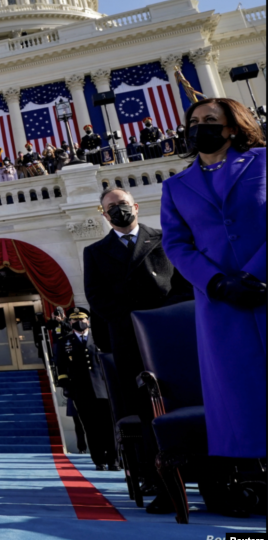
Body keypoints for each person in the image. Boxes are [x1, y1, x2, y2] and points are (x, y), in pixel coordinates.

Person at [160, 98, 266, 462]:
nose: (198, 127)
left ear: (232, 127)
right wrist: (217, 282)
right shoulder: (175, 187)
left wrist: (254, 273)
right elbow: (176, 244)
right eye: (193, 122)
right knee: (240, 391)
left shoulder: (263, 161)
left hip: (263, 287)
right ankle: (252, 471)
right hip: (221, 303)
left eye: (209, 120)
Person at [84, 187, 193, 510]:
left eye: (123, 204)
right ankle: (163, 484)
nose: (119, 211)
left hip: (172, 337)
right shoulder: (95, 252)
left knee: (184, 402)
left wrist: (161, 317)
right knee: (148, 413)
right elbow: (98, 298)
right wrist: (135, 319)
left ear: (136, 205)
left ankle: (210, 479)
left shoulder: (163, 238)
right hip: (131, 340)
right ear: (103, 215)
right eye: (111, 208)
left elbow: (184, 285)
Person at [55, 309, 118, 471]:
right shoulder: (64, 342)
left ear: (88, 321)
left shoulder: (100, 338)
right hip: (81, 391)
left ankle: (113, 459)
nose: (79, 323)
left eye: (82, 319)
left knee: (108, 426)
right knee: (91, 427)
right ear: (70, 323)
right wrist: (66, 387)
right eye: (75, 321)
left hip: (103, 389)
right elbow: (61, 367)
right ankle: (99, 460)